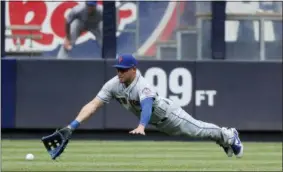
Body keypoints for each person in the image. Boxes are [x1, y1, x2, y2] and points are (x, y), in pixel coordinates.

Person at [42, 54, 243, 160]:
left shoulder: (142, 84)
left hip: (170, 115)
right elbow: (93, 105)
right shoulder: (114, 84)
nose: (119, 73)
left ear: (133, 69)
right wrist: (72, 125)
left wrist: (141, 125)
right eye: (117, 69)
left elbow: (146, 105)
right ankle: (223, 140)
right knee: (198, 133)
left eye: (123, 70)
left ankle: (228, 134)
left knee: (197, 130)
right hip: (160, 123)